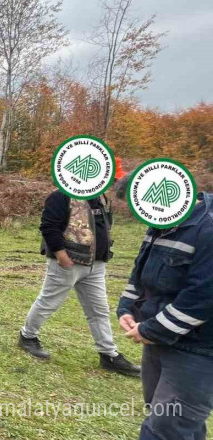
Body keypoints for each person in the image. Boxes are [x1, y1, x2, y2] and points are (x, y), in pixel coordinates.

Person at [18, 180, 141, 376]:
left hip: (96, 265)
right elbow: (48, 227)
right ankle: (27, 336)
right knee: (49, 302)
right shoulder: (60, 196)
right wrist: (61, 255)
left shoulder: (99, 197)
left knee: (99, 310)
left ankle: (109, 355)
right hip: (68, 263)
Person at [117, 192, 213, 440]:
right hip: (159, 340)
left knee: (163, 430)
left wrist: (151, 330)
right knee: (175, 422)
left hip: (199, 349)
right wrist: (127, 307)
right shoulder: (162, 218)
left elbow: (203, 297)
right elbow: (141, 270)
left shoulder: (208, 227)